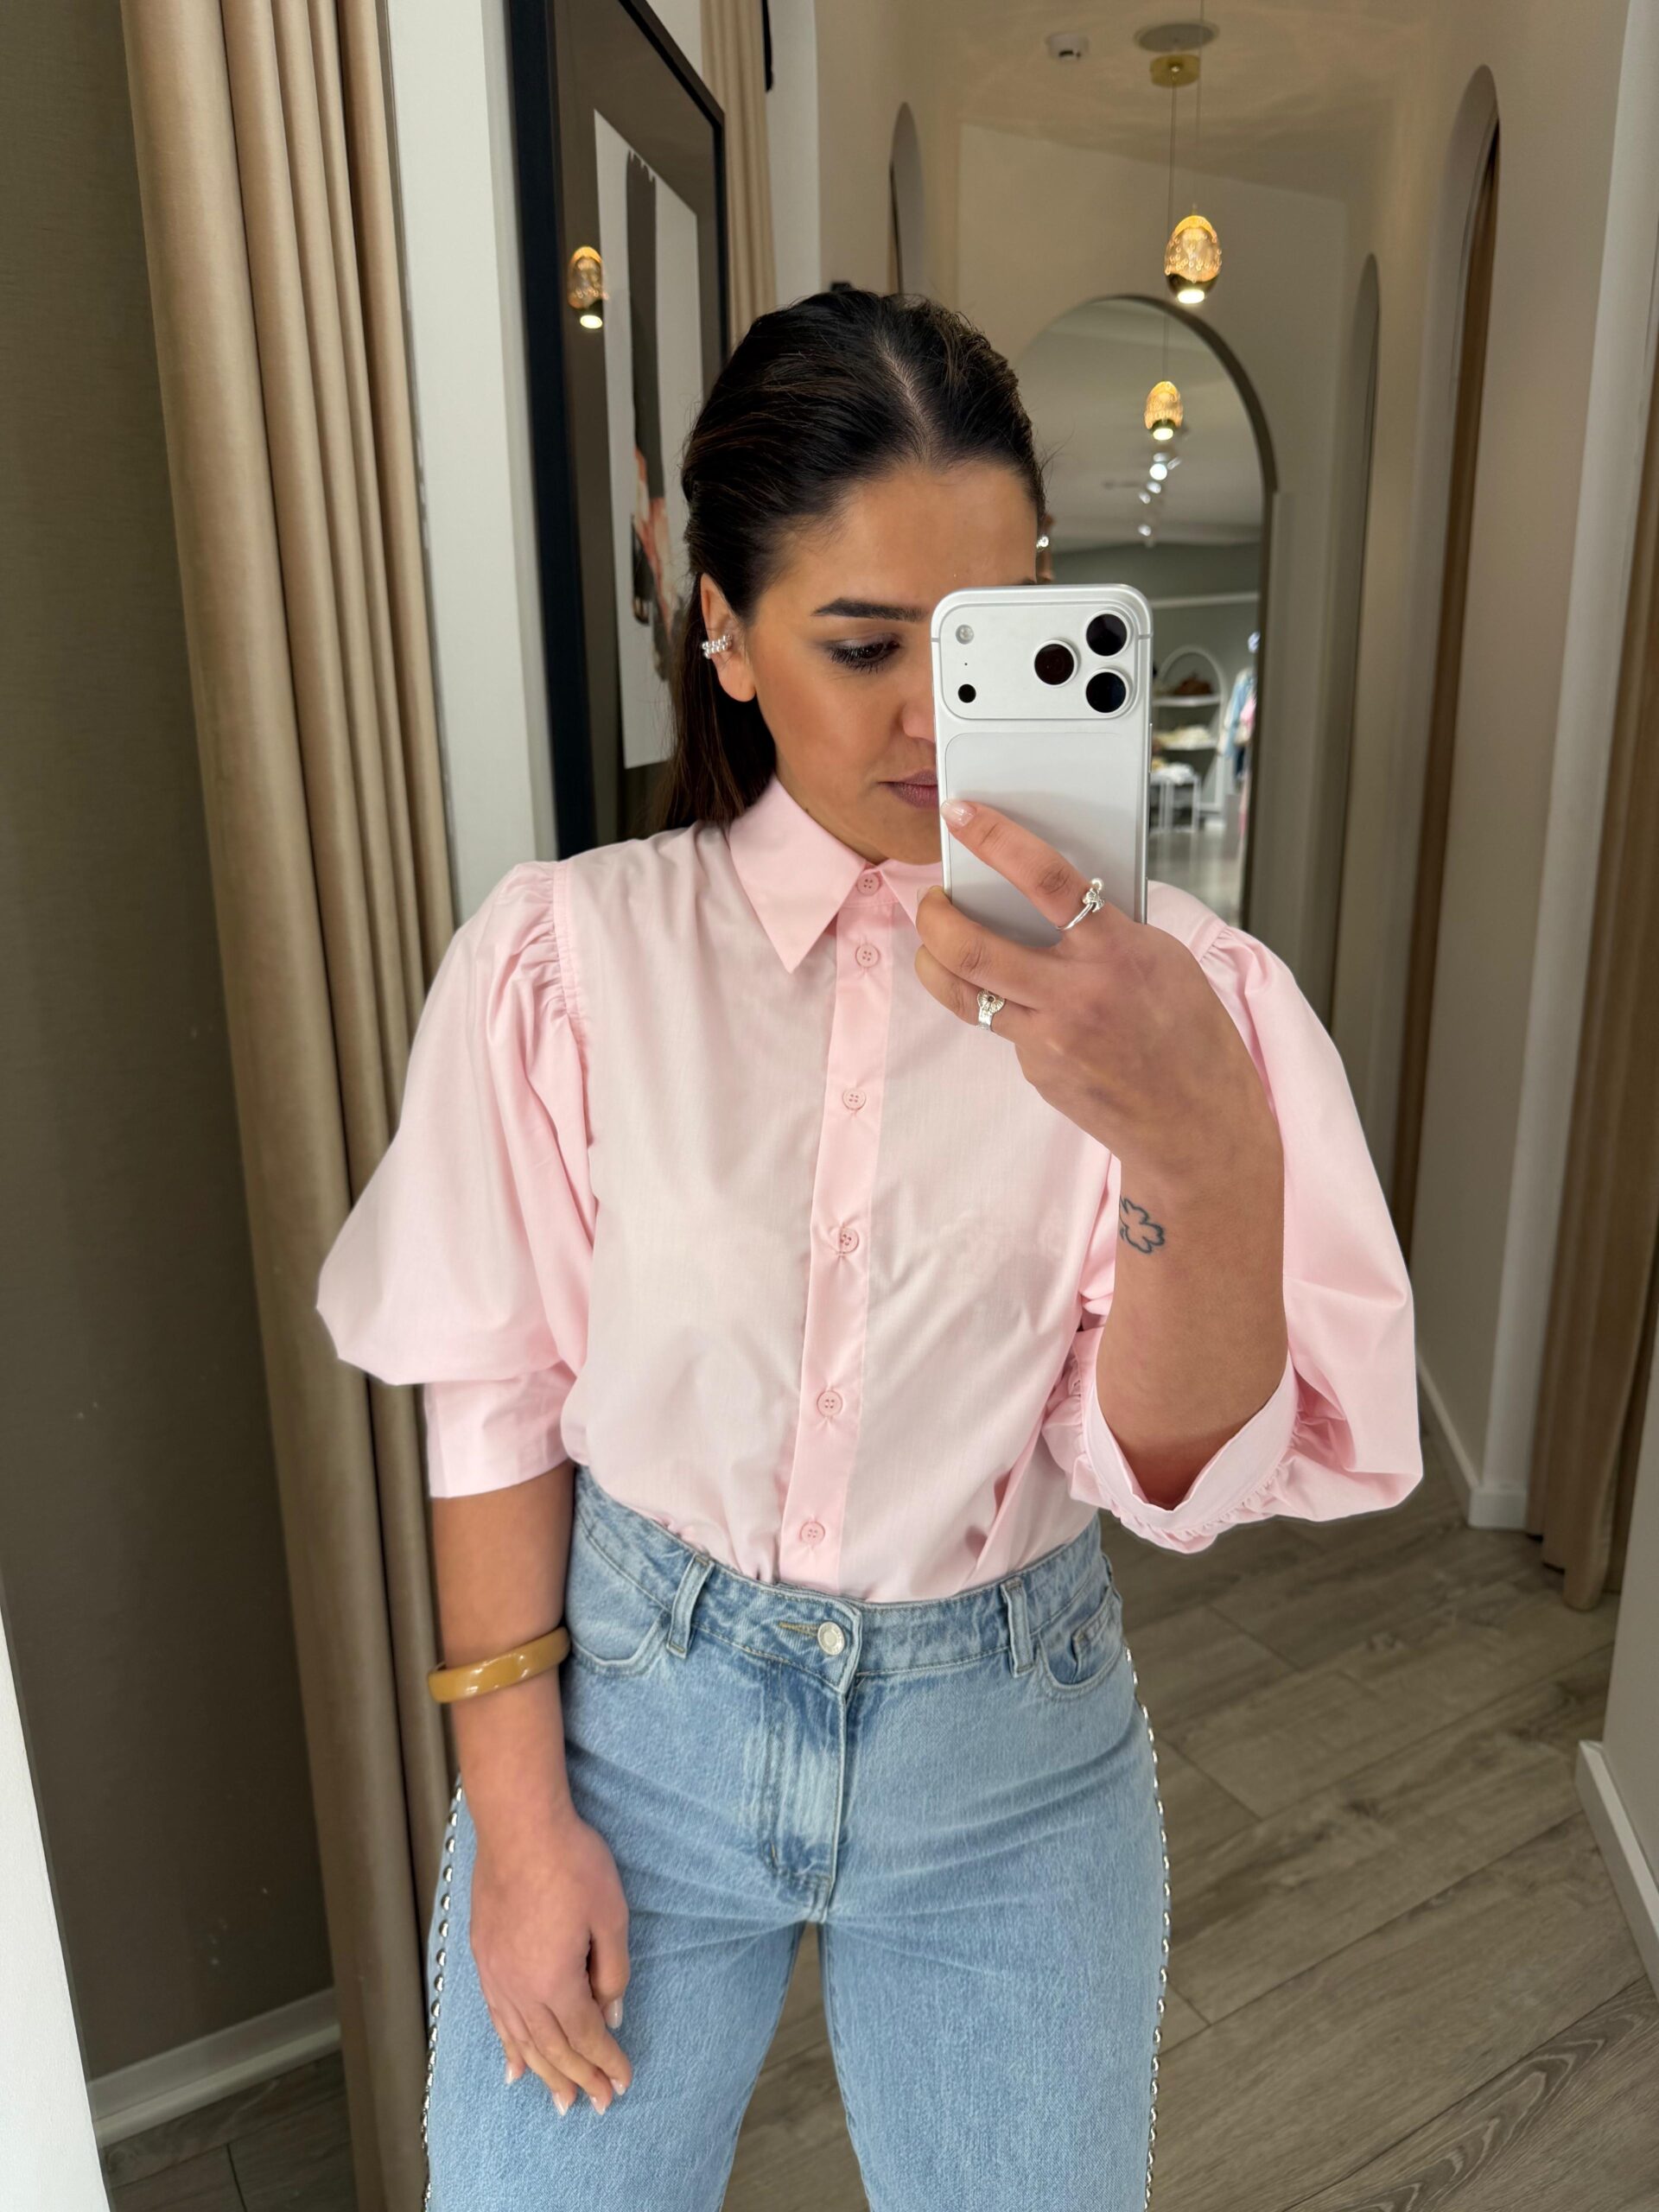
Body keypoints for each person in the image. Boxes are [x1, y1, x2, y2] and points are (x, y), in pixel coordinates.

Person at [315, 287, 1422, 2212]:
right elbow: (496, 1385)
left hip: (1010, 1756)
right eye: (860, 644)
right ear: (725, 632)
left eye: (990, 636)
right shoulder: (572, 963)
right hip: (632, 1729)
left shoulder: (1182, 1004)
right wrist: (516, 1818)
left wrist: (1196, 1147)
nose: (938, 715)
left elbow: (1167, 1478)